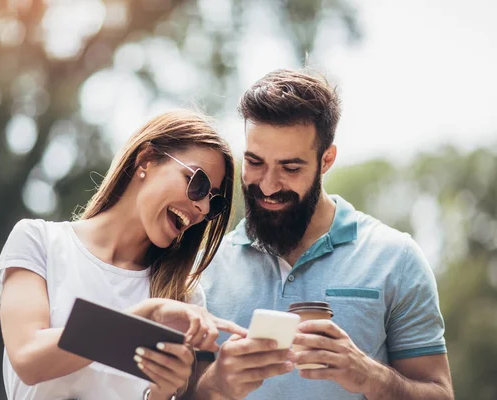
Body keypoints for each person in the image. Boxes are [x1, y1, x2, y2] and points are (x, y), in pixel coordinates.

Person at [190, 69, 454, 399]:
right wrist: (215, 384)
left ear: (326, 160)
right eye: (255, 163)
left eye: (290, 168)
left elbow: (440, 394)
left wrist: (370, 376)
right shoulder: (205, 267)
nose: (268, 185)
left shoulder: (395, 257)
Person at [0, 110, 247, 400]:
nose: (201, 208)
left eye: (214, 202)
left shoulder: (184, 297)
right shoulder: (39, 241)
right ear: (145, 160)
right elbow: (28, 358)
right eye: (197, 184)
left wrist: (161, 393)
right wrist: (143, 316)